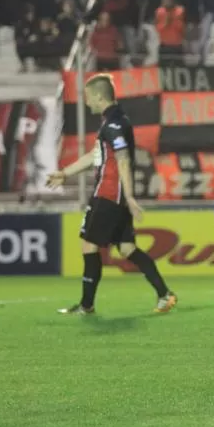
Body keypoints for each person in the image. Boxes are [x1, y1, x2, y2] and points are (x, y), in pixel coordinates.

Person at [46, 75, 177, 315]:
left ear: (98, 96)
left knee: (88, 245)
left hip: (108, 195)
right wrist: (64, 173)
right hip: (117, 196)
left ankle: (86, 306)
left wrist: (129, 196)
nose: (86, 103)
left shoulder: (114, 124)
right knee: (127, 248)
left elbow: (123, 160)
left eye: (87, 98)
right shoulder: (113, 122)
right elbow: (96, 157)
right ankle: (164, 294)